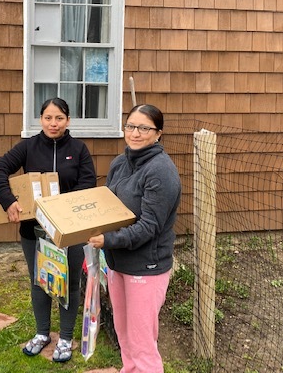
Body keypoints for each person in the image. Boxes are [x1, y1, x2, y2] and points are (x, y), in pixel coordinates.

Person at [0, 97, 97, 363]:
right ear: (41, 119)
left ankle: (64, 337)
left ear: (68, 121)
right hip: (34, 231)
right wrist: (9, 201)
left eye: (59, 118)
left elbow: (87, 183)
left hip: (70, 231)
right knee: (40, 282)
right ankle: (41, 334)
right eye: (48, 118)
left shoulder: (79, 149)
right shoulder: (28, 147)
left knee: (69, 284)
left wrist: (63, 207)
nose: (53, 123)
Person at [88, 104, 181, 373]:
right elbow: (107, 206)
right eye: (131, 126)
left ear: (158, 133)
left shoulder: (161, 172)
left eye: (144, 128)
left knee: (142, 343)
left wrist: (108, 240)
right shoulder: (121, 163)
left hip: (146, 267)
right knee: (124, 333)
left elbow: (149, 226)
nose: (135, 133)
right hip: (118, 263)